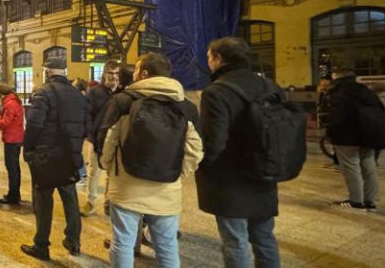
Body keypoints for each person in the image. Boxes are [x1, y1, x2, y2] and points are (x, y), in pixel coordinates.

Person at [99, 53, 203, 268]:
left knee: (123, 243)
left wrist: (109, 168)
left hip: (126, 186)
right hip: (166, 188)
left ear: (144, 73)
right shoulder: (186, 107)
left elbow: (107, 140)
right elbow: (196, 150)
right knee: (166, 246)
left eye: (136, 70)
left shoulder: (123, 101)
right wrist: (177, 172)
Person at [197, 37, 283, 268]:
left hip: (230, 180)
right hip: (265, 172)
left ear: (218, 59)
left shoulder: (216, 92)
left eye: (209, 57)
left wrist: (201, 164)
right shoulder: (269, 86)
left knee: (235, 241)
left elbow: (213, 142)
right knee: (265, 237)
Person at [20, 57, 87, 261]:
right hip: (69, 155)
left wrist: (28, 149)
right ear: (64, 71)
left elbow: (34, 125)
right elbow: (84, 125)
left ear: (46, 71)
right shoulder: (78, 94)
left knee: (43, 200)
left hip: (46, 156)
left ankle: (41, 245)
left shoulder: (42, 93)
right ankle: (73, 241)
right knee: (70, 198)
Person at [324, 68, 383, 211]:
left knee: (351, 168)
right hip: (368, 136)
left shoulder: (339, 93)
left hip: (347, 137)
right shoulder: (366, 92)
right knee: (369, 167)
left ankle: (356, 201)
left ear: (337, 79)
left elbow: (337, 117)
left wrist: (331, 134)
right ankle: (370, 201)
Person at [78, 60, 121, 216]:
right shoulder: (94, 92)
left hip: (116, 140)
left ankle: (108, 202)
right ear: (104, 74)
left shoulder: (122, 93)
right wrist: (90, 134)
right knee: (93, 172)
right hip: (97, 139)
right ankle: (91, 202)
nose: (114, 77)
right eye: (110, 73)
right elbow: (87, 114)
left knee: (112, 174)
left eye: (116, 73)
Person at [0, 83, 25, 205]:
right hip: (17, 138)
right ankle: (15, 194)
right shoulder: (14, 101)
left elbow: (4, 123)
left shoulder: (10, 104)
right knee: (15, 168)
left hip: (12, 140)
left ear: (1, 95)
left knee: (12, 168)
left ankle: (13, 197)